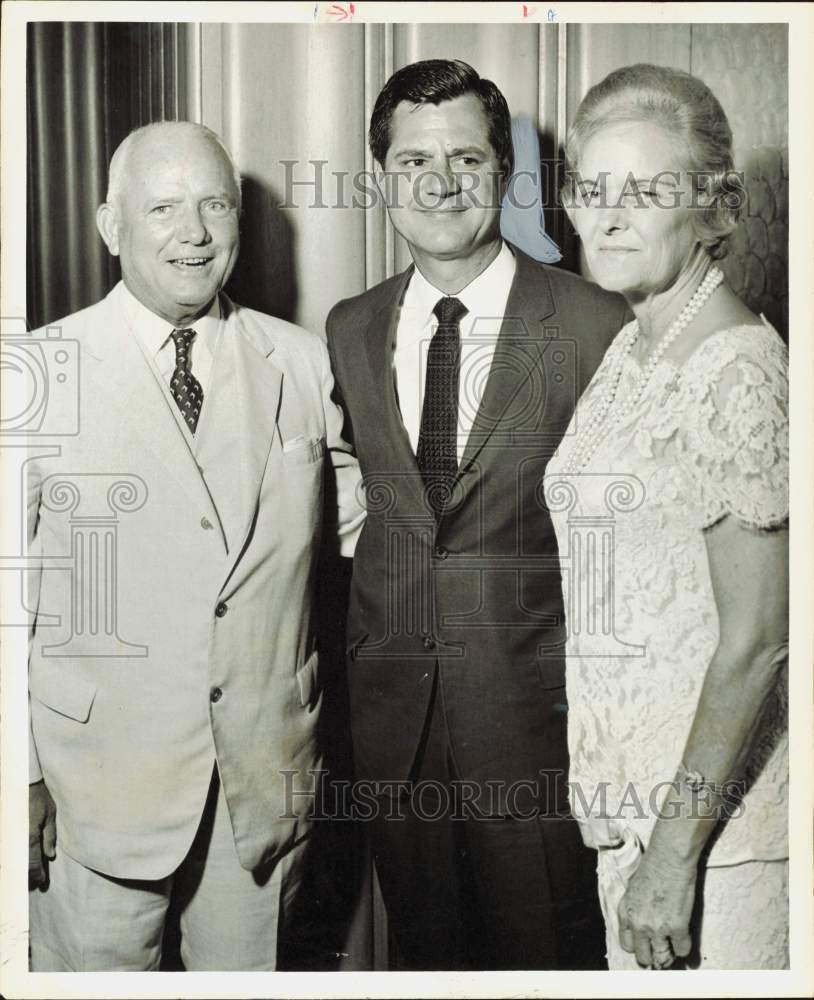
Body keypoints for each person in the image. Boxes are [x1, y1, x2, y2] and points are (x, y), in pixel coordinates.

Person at [26, 121, 363, 971]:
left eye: (216, 205)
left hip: (263, 783)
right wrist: (16, 780)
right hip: (90, 792)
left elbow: (363, 530)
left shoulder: (300, 362)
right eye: (165, 207)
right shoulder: (36, 374)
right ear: (112, 227)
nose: (196, 233)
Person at [326, 59, 629, 970]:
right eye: (413, 160)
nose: (441, 181)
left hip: (541, 739)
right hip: (394, 737)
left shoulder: (597, 323)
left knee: (549, 963)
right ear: (382, 177)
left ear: (504, 171)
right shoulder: (349, 327)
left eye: (467, 156)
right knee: (424, 965)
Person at [544, 63, 789, 969]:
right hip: (633, 819)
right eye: (592, 190)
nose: (609, 216)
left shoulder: (734, 371)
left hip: (718, 838)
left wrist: (676, 856)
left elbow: (760, 638)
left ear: (714, 208)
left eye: (646, 192)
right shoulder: (635, 340)